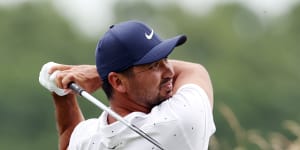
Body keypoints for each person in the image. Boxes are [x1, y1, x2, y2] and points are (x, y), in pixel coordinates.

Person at [39, 20, 216, 150]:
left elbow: (70, 140)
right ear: (117, 82)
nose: (169, 72)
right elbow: (194, 71)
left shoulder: (92, 140)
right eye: (154, 66)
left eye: (165, 59)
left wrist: (61, 93)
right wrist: (97, 73)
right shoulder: (179, 120)